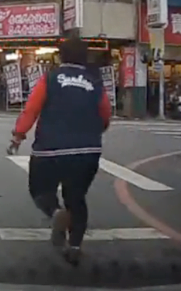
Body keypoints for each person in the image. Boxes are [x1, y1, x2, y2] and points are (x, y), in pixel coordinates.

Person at [9, 36, 111, 265]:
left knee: (39, 190)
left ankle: (55, 213)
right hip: (87, 150)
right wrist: (94, 133)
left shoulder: (50, 79)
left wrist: (18, 136)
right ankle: (74, 245)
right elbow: (105, 113)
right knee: (76, 198)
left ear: (60, 56)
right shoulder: (95, 82)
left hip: (50, 149)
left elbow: (31, 109)